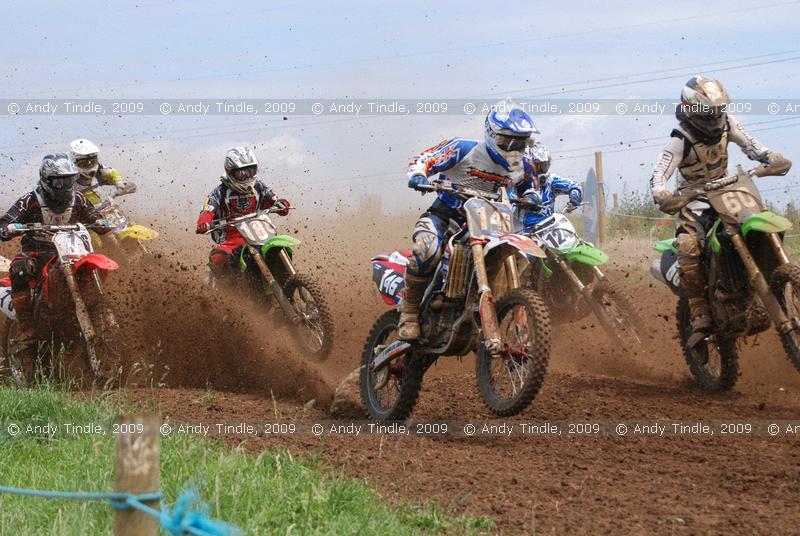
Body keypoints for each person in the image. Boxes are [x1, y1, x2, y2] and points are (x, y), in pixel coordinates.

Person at [650, 75, 790, 345]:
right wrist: (663, 194)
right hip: (696, 201)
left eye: (717, 109)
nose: (714, 115)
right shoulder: (680, 140)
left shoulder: (728, 124)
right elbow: (658, 176)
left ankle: (778, 280)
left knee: (761, 221)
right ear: (691, 109)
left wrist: (770, 157)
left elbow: (754, 146)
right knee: (688, 246)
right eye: (709, 110)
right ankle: (700, 312)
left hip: (730, 191)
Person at [399, 101, 538, 340]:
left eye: (522, 143)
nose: (515, 149)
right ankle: (409, 311)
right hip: (447, 217)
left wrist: (531, 196)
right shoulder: (464, 148)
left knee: (522, 256)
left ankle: (508, 315)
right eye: (510, 142)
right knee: (427, 249)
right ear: (493, 135)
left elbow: (530, 185)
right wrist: (419, 174)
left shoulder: (523, 165)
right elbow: (425, 158)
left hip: (491, 224)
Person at [0, 154, 109, 345]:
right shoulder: (30, 199)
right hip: (38, 252)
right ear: (46, 179)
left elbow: (93, 216)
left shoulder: (79, 199)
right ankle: (26, 326)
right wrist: (8, 228)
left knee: (90, 266)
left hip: (71, 252)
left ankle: (97, 308)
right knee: (20, 267)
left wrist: (100, 222)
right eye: (60, 182)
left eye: (69, 180)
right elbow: (8, 220)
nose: (65, 186)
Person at [195, 146, 290, 280]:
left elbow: (273, 199)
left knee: (279, 246)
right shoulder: (218, 193)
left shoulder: (258, 186)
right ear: (230, 172)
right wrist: (203, 223)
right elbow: (207, 210)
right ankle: (225, 292)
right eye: (242, 172)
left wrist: (281, 205)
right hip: (231, 239)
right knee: (218, 257)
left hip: (260, 233)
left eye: (251, 171)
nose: (247, 176)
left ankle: (287, 280)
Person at [513, 141, 583, 230]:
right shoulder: (516, 181)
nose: (542, 170)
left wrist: (575, 195)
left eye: (544, 165)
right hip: (521, 230)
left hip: (547, 229)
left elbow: (574, 186)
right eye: (537, 166)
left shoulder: (551, 180)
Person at [69, 138, 137, 205]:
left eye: (92, 161)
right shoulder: (67, 172)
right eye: (84, 163)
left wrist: (119, 183)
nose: (89, 165)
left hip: (95, 203)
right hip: (70, 204)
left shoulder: (99, 167)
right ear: (73, 162)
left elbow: (112, 172)